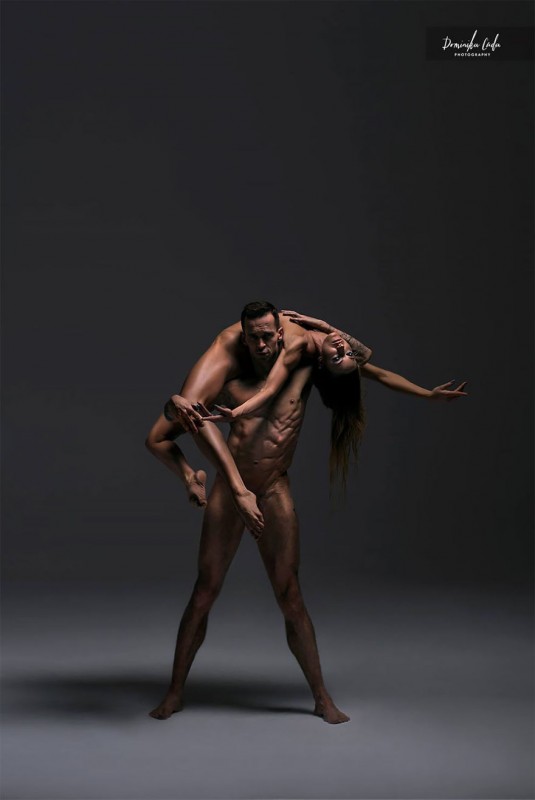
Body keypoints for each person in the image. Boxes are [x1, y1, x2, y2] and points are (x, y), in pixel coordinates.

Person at [148, 302, 468, 724]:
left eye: (268, 336)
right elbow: (176, 421)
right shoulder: (229, 369)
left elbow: (372, 370)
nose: (262, 344)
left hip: (274, 487)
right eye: (253, 338)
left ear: (281, 335)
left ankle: (321, 698)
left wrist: (426, 393)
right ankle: (174, 693)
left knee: (290, 595)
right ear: (245, 338)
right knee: (205, 591)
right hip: (230, 489)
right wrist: (191, 448)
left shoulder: (307, 359)